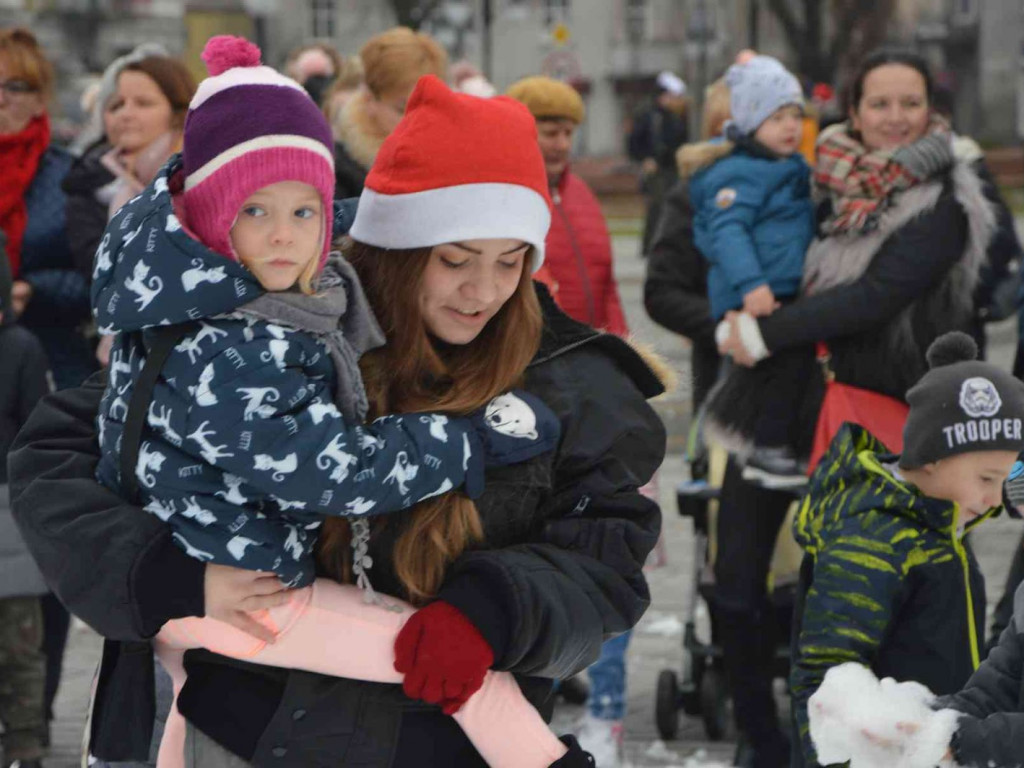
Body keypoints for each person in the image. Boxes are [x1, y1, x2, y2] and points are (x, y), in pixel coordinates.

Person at [10, 59, 666, 768]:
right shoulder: (279, 321)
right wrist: (167, 574)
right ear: (397, 249)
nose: (483, 291)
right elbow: (62, 455)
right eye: (454, 259)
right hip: (245, 724)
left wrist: (497, 608)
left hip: (440, 744)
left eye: (512, 263)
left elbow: (607, 562)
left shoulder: (572, 381)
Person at [711, 48, 997, 768]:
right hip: (825, 410)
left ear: (931, 111)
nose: (895, 117)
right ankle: (799, 741)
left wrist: (761, 331)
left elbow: (876, 296)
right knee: (816, 590)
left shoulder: (947, 201)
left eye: (910, 103)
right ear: (853, 111)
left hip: (907, 423)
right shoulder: (825, 186)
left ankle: (907, 742)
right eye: (879, 103)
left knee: (897, 597)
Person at [790, 331, 1024, 767]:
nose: (996, 499)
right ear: (932, 457)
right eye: (986, 480)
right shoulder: (872, 541)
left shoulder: (938, 524)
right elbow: (824, 677)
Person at [685, 55, 813, 485]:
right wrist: (751, 284)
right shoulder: (740, 172)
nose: (791, 126)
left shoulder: (786, 167)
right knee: (787, 362)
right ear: (751, 121)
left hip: (777, 285)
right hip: (756, 290)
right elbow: (728, 231)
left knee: (788, 366)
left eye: (796, 115)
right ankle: (767, 446)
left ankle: (771, 441)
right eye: (777, 116)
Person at [506, 75, 628, 336]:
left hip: (591, 350)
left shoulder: (582, 192)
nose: (562, 145)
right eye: (550, 134)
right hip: (543, 351)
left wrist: (622, 345)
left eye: (568, 133)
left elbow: (607, 285)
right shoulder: (508, 197)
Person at [644, 76, 732, 416]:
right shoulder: (695, 194)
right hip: (722, 388)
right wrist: (727, 327)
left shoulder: (804, 188)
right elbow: (662, 291)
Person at [0, 235, 51, 768]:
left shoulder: (20, 348)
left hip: (7, 513)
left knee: (18, 643)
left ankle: (25, 743)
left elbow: (36, 432)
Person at [62, 43, 169, 283]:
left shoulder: (204, 174)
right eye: (116, 105)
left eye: (143, 103)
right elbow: (100, 273)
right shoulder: (85, 182)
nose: (126, 114)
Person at [331, 26, 446, 199]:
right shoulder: (339, 174)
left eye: (427, 106)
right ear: (370, 100)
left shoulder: (449, 161)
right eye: (402, 109)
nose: (417, 119)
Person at [628, 70, 689, 257]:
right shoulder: (649, 116)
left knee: (671, 207)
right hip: (656, 170)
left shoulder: (676, 117)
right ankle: (652, 247)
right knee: (657, 208)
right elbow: (635, 142)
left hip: (672, 168)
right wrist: (645, 159)